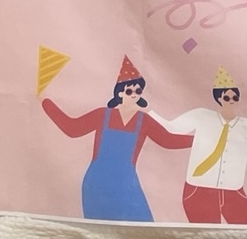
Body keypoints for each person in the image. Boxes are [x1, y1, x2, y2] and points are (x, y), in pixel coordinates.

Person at [42, 57, 191, 222]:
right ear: (120, 93)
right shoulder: (102, 115)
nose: (134, 95)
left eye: (138, 91)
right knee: (100, 229)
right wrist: (45, 102)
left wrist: (198, 140)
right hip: (97, 182)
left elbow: (167, 140)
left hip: (127, 183)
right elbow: (72, 128)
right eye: (129, 91)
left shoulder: (143, 120)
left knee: (143, 227)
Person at [147, 66, 247, 224]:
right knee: (205, 233)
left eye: (235, 97)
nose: (231, 101)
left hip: (233, 191)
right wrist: (148, 111)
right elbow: (172, 127)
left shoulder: (245, 125)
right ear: (218, 98)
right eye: (227, 97)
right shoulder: (202, 116)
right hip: (199, 189)